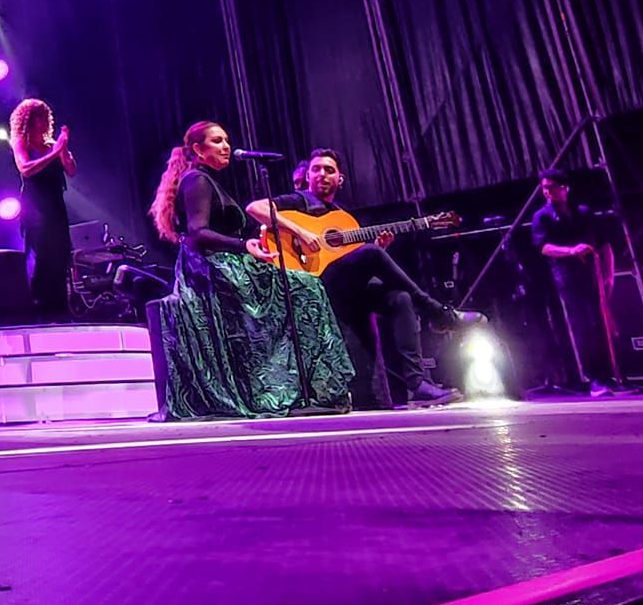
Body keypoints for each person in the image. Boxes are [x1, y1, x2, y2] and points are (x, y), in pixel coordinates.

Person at [147, 122, 353, 418]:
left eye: (227, 140)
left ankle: (302, 389)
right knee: (306, 288)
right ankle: (299, 390)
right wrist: (244, 245)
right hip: (212, 271)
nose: (226, 146)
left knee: (304, 286)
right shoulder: (197, 180)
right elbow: (197, 234)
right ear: (198, 149)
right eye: (217, 141)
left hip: (229, 265)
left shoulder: (207, 180)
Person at [250, 149, 471, 410]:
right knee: (370, 252)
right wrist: (301, 232)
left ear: (340, 179)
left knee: (398, 298)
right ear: (307, 176)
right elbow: (255, 207)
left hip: (344, 287)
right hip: (312, 283)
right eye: (316, 169)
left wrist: (378, 250)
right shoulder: (299, 201)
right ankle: (437, 312)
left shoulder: (343, 218)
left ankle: (417, 384)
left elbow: (345, 258)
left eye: (329, 170)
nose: (322, 174)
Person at [531, 169, 621, 396]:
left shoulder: (583, 212)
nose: (548, 192)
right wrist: (571, 251)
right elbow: (544, 248)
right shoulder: (542, 217)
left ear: (565, 188)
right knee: (583, 326)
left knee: (603, 324)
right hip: (568, 278)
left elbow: (604, 245)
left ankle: (612, 375)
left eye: (552, 187)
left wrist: (610, 275)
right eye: (545, 188)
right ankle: (594, 379)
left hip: (594, 274)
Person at [10, 98, 76, 321]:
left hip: (56, 205)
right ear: (27, 120)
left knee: (60, 254)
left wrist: (63, 149)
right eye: (37, 116)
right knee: (40, 256)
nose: (41, 121)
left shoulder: (52, 144)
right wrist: (54, 153)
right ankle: (40, 310)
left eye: (44, 116)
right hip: (35, 207)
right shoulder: (21, 142)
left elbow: (71, 170)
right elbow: (26, 169)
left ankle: (61, 309)